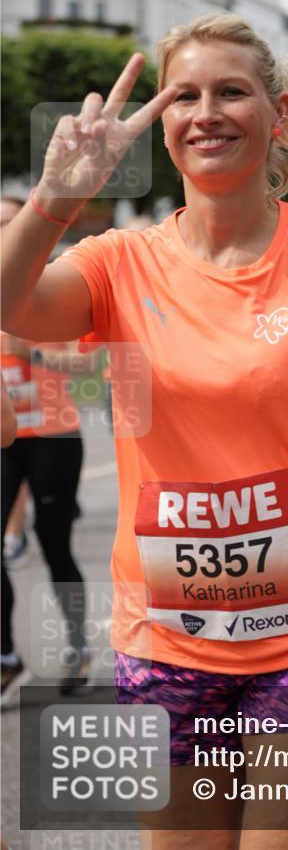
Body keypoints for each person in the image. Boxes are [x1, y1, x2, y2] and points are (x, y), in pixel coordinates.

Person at [1, 14, 288, 848]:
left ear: (276, 113)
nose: (205, 113)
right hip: (163, 636)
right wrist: (53, 201)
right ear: (162, 122)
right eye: (183, 96)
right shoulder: (118, 261)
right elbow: (11, 306)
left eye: (231, 92)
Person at [1, 198, 95, 705]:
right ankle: (6, 657)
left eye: (8, 221)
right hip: (4, 437)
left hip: (54, 436)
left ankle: (78, 645)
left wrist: (33, 352)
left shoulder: (54, 282)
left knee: (54, 545)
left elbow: (92, 366)